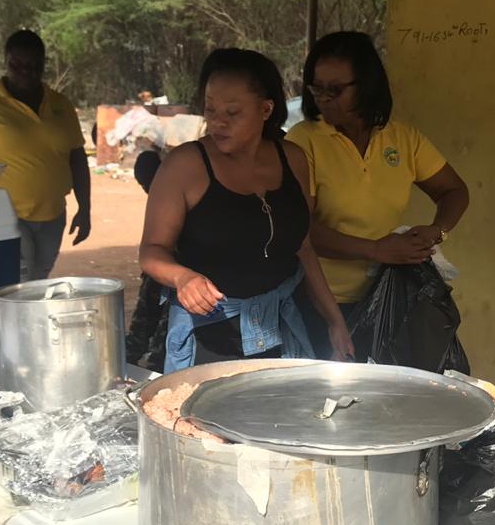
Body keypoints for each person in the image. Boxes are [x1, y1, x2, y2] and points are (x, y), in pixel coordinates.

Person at [140, 48, 352, 371]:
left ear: (266, 109)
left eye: (232, 112)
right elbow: (152, 250)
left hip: (284, 326)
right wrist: (182, 277)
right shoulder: (185, 166)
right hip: (212, 334)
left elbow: (304, 247)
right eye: (210, 109)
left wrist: (334, 320)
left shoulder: (292, 158)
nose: (217, 122)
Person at [285, 31, 469, 351]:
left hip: (388, 295)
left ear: (367, 86)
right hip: (322, 302)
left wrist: (437, 231)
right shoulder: (304, 141)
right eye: (317, 88)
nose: (324, 98)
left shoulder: (402, 139)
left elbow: (454, 190)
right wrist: (375, 250)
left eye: (335, 89)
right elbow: (300, 230)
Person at [0, 30, 90, 282]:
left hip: (53, 214)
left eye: (33, 65)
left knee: (39, 278)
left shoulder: (61, 104)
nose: (25, 72)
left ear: (43, 65)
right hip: (7, 214)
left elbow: (77, 159)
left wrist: (85, 208)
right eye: (17, 65)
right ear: (6, 62)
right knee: (20, 283)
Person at [125, 150, 167, 371]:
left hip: (178, 270)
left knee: (163, 323)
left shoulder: (170, 192)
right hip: (166, 268)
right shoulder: (164, 192)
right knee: (149, 314)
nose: (146, 190)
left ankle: (151, 360)